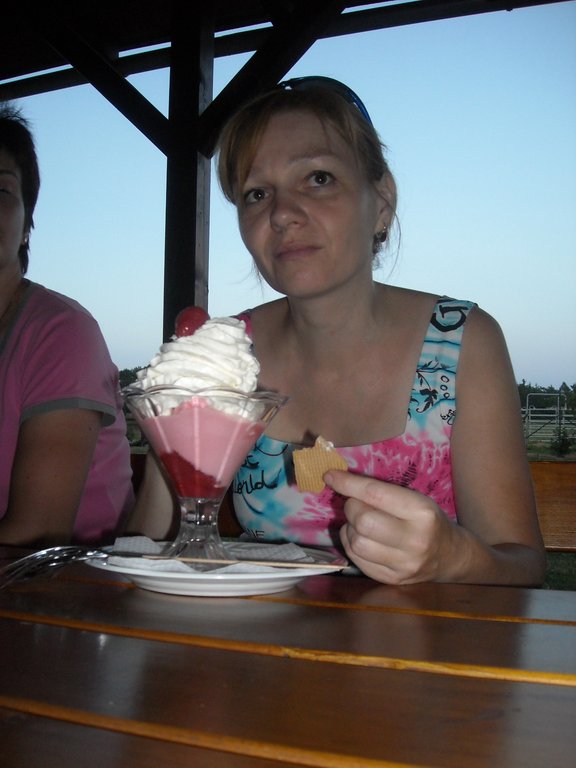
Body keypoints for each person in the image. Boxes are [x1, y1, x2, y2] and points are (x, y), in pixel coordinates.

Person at [132, 76, 545, 586]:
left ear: (382, 201)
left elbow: (523, 568)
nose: (282, 213)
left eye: (318, 178)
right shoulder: (226, 355)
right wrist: (175, 406)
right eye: (256, 193)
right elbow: (145, 550)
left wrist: (451, 558)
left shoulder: (461, 341)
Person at [0, 104, 134, 546]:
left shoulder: (62, 332)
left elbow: (36, 533)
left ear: (26, 225)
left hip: (70, 583)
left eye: (1, 190)